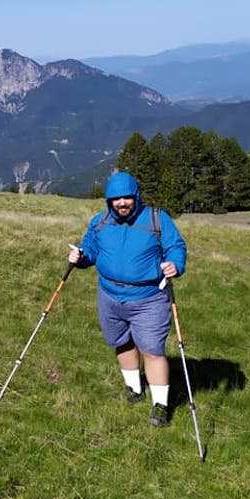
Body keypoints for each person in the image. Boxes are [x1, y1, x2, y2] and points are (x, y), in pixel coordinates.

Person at [68, 171, 187, 427]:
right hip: (109, 296)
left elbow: (175, 246)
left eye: (126, 198)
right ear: (109, 200)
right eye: (115, 198)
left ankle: (160, 405)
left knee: (152, 350)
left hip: (148, 298)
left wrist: (175, 264)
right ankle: (134, 389)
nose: (121, 203)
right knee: (120, 342)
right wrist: (81, 256)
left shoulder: (157, 219)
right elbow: (91, 249)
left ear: (136, 196)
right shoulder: (100, 221)